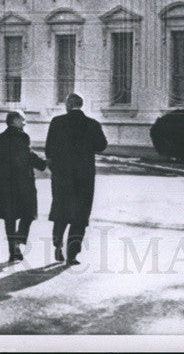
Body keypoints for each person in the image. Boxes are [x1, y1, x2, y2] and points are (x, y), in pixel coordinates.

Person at [44, 93, 108, 265]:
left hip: (62, 176)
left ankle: (57, 243)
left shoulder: (57, 123)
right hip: (84, 177)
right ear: (81, 105)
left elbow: (48, 149)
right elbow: (102, 145)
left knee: (61, 210)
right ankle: (72, 254)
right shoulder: (92, 124)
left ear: (67, 105)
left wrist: (55, 166)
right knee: (80, 214)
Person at [0, 111, 46, 262]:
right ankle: (18, 240)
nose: (25, 123)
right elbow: (27, 156)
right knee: (28, 213)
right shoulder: (22, 136)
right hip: (23, 182)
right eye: (23, 120)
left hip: (5, 183)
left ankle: (13, 251)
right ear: (15, 120)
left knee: (9, 217)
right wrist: (43, 164)